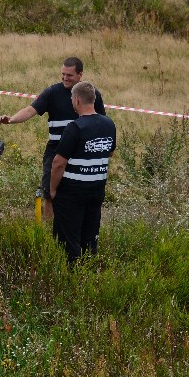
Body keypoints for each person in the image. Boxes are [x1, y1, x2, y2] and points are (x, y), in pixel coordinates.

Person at [0, 56, 105, 220]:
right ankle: (49, 228)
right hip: (56, 149)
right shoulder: (52, 92)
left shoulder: (92, 94)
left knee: (79, 191)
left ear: (80, 75)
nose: (65, 78)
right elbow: (30, 110)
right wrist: (12, 119)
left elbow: (100, 122)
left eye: (69, 75)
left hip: (81, 151)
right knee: (49, 191)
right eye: (63, 74)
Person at [49, 81, 116, 265]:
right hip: (96, 189)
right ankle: (88, 271)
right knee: (90, 235)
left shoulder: (74, 127)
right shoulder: (109, 124)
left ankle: (71, 274)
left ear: (76, 100)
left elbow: (58, 162)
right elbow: (109, 151)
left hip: (72, 191)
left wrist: (53, 189)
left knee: (68, 238)